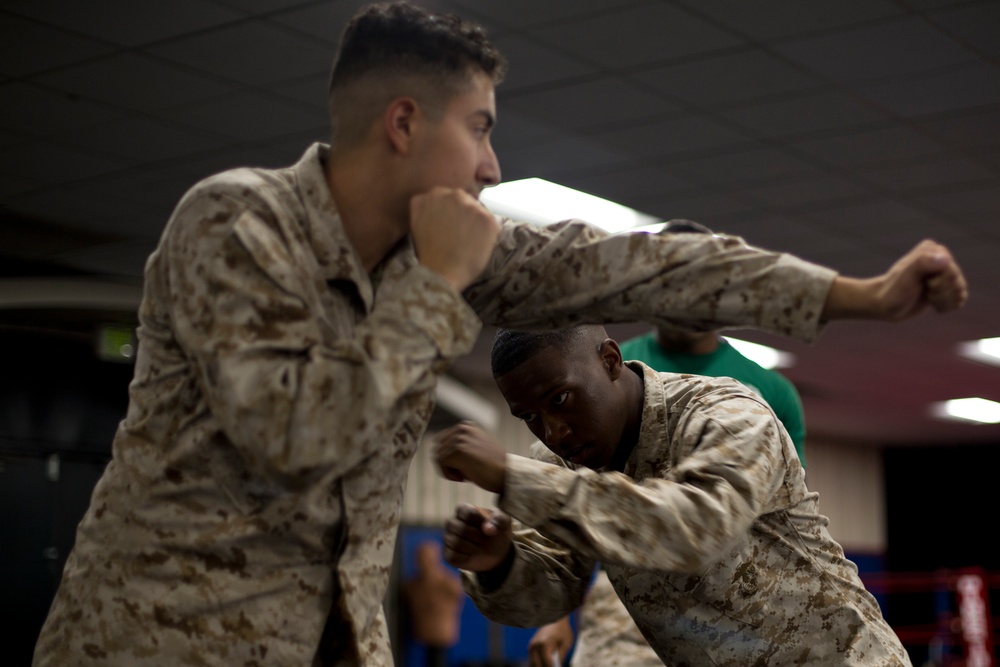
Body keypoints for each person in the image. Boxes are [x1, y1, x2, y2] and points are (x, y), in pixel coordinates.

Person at [32, 1, 965, 665]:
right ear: (404, 123)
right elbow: (297, 439)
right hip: (158, 637)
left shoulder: (454, 268)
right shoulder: (239, 224)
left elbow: (647, 264)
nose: (493, 161)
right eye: (478, 128)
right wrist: (437, 285)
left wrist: (855, 293)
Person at [435, 325, 913, 666]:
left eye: (560, 399)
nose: (553, 431)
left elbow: (695, 530)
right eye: (529, 417)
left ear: (610, 360)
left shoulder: (727, 412)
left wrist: (511, 476)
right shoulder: (558, 463)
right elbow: (550, 592)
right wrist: (497, 564)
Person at [528, 222, 810, 667]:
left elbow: (784, 519)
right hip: (623, 597)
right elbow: (576, 500)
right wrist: (557, 614)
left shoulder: (768, 392)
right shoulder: (603, 372)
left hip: (735, 589)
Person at [402, 542, 465, 667]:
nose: (423, 562)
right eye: (420, 558)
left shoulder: (446, 582)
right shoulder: (414, 584)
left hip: (442, 631)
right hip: (423, 631)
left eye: (427, 558)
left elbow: (459, 594)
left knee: (438, 659)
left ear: (435, 559)